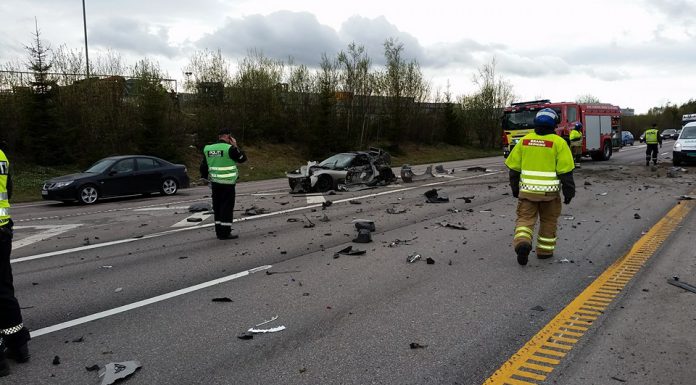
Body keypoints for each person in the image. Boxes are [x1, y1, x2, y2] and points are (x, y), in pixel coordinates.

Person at [505, 108, 576, 265]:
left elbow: (513, 170)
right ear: (554, 124)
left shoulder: (524, 141)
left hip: (527, 193)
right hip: (549, 195)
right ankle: (544, 251)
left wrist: (515, 189)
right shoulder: (559, 143)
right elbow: (566, 172)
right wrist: (569, 192)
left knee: (525, 220)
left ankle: (523, 242)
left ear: (535, 122)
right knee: (548, 221)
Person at [0, 144, 31, 378]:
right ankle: (18, 345)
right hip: (2, 230)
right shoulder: (1, 155)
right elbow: (7, 191)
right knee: (3, 288)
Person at [200, 128, 247, 240]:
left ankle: (218, 232)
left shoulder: (208, 149)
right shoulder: (230, 149)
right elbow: (242, 159)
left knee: (217, 207)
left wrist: (204, 177)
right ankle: (225, 233)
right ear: (228, 136)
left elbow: (203, 166)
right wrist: (235, 145)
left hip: (215, 184)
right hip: (228, 184)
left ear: (219, 136)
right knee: (226, 208)